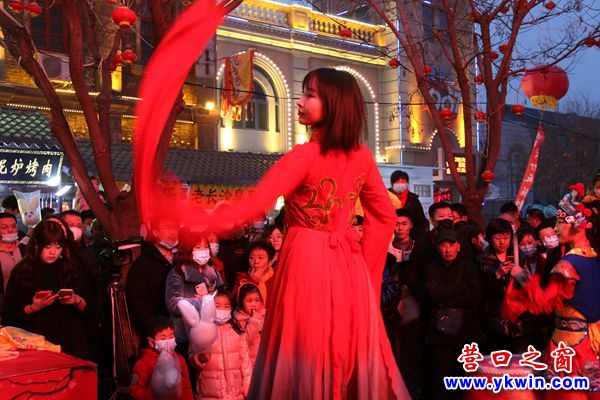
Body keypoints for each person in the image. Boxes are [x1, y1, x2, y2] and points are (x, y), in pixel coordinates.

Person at [201, 68, 409, 398]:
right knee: (342, 345)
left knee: (304, 347)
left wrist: (194, 215)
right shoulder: (362, 156)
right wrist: (368, 273)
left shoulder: (305, 155)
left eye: (309, 95)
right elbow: (384, 216)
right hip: (349, 268)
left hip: (306, 262)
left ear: (334, 104)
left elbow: (258, 200)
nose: (299, 102)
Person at [504, 187, 600, 394]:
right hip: (593, 342)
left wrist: (521, 277)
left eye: (559, 223)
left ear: (577, 226)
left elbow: (543, 303)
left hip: (570, 343)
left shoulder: (568, 265)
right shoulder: (593, 257)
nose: (555, 229)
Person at [2, 220, 92, 359]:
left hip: (70, 337)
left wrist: (76, 300)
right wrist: (34, 307)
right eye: (48, 246)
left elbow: (89, 308)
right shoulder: (22, 271)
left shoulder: (70, 268)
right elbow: (10, 314)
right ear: (37, 244)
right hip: (35, 338)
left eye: (58, 246)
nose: (53, 252)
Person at [425, 229, 483, 400]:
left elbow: (476, 296)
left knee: (466, 381)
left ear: (459, 247)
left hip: (467, 332)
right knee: (442, 381)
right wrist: (461, 287)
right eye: (443, 245)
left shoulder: (469, 267)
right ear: (438, 248)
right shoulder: (431, 269)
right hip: (441, 335)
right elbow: (434, 295)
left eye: (451, 245)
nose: (448, 249)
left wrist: (445, 301)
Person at [477, 218, 531, 352]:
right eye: (497, 238)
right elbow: (480, 292)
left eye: (506, 238)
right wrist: (497, 275)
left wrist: (520, 274)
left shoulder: (519, 257)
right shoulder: (482, 260)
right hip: (494, 320)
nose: (502, 242)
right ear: (490, 239)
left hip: (519, 318)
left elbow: (530, 287)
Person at [190, 290, 253, 399]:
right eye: (217, 306)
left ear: (231, 309)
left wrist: (250, 391)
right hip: (209, 393)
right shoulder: (200, 331)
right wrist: (200, 358)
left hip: (235, 393)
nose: (222, 310)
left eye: (226, 307)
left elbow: (246, 365)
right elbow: (192, 358)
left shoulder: (238, 332)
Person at [165, 230, 223, 346]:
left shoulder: (212, 270)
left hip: (213, 331)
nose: (203, 250)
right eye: (198, 247)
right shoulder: (177, 273)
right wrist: (200, 302)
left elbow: (223, 293)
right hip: (187, 333)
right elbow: (173, 304)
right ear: (188, 250)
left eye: (205, 247)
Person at [127, 215, 179, 337]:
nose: (173, 232)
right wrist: (153, 326)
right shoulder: (143, 264)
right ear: (155, 232)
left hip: (182, 328)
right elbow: (137, 300)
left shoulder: (182, 259)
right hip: (159, 332)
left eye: (175, 227)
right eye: (167, 227)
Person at [130, 316, 193, 400]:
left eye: (171, 336)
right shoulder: (143, 364)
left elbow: (186, 387)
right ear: (151, 342)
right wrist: (153, 395)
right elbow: (135, 391)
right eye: (163, 338)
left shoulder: (180, 359)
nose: (168, 341)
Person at [0, 212, 27, 318]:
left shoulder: (25, 249)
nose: (10, 230)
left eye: (13, 226)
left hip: (24, 303)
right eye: (4, 227)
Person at [388, 170, 428, 239]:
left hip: (409, 237)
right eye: (397, 182)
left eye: (403, 182)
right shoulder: (385, 196)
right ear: (392, 183)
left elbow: (420, 221)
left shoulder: (413, 199)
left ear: (407, 183)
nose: (400, 184)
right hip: (387, 236)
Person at [232, 282, 265, 366]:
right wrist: (253, 322)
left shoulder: (262, 315)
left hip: (264, 360)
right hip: (251, 363)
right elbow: (245, 342)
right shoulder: (238, 320)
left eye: (257, 300)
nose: (254, 304)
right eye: (249, 301)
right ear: (241, 303)